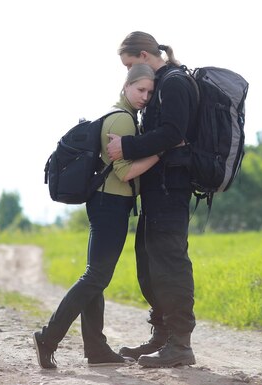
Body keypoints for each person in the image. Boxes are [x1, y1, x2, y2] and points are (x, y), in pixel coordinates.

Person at [33, 64, 159, 369]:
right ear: (126, 86)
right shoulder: (122, 120)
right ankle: (48, 338)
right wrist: (160, 152)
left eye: (150, 92)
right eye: (140, 89)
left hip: (105, 202)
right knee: (95, 277)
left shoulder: (119, 115)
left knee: (96, 277)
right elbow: (125, 171)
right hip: (110, 204)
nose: (145, 96)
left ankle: (96, 348)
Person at [107, 31, 198, 368]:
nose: (129, 74)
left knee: (170, 265)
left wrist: (127, 147)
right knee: (148, 263)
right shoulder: (160, 85)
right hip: (156, 190)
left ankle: (180, 345)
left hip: (171, 189)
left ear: (144, 56)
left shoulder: (173, 83)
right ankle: (161, 337)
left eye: (130, 65)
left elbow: (174, 133)